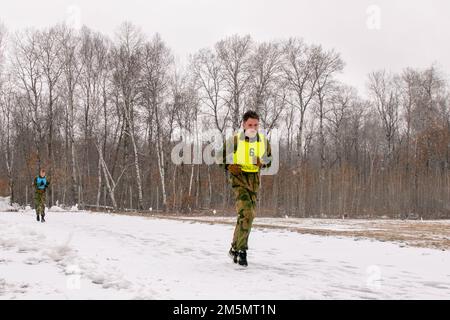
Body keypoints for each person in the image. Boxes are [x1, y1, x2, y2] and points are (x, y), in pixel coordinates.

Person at [220, 110, 272, 267]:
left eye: (256, 125)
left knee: (245, 216)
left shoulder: (263, 141)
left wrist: (262, 163)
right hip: (239, 180)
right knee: (248, 213)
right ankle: (242, 251)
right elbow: (219, 157)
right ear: (243, 124)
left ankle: (234, 248)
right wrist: (229, 166)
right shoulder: (234, 141)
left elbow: (269, 160)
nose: (253, 127)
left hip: (254, 182)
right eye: (250, 124)